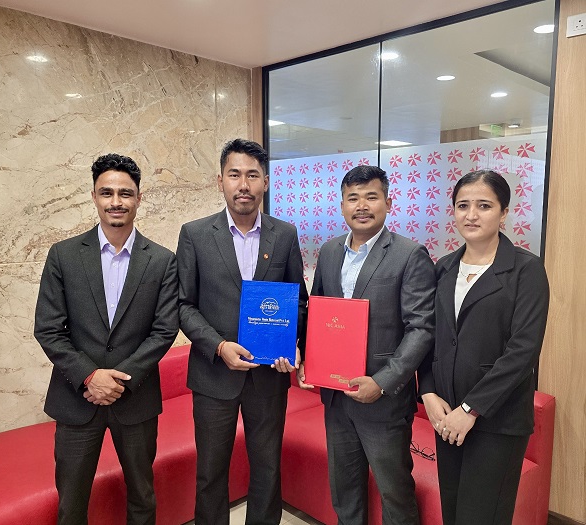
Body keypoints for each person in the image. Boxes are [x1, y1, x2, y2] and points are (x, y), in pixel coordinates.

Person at [34, 153, 179, 525]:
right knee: (71, 504)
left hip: (136, 398)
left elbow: (164, 330)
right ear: (94, 197)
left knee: (142, 498)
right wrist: (90, 376)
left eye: (125, 193)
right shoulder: (63, 255)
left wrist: (119, 380)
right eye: (107, 192)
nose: (116, 201)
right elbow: (48, 328)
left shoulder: (162, 260)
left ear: (139, 198)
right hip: (76, 399)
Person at [177, 138, 308, 525]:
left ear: (265, 182)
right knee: (210, 472)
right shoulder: (195, 234)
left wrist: (294, 342)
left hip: (269, 374)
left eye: (253, 175)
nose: (244, 184)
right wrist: (219, 346)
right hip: (213, 374)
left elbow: (298, 300)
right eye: (235, 175)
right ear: (220, 181)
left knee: (267, 469)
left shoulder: (285, 234)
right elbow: (183, 305)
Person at [299, 165, 436, 525]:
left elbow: (421, 328)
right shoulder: (329, 251)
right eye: (353, 198)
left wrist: (383, 382)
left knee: (395, 493)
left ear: (388, 203)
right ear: (342, 205)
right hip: (335, 395)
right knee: (344, 490)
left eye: (371, 197)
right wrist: (309, 361)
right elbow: (318, 313)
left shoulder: (409, 254)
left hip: (382, 400)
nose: (361, 206)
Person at [418, 170, 549, 525]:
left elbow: (523, 351)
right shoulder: (444, 267)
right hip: (447, 416)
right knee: (453, 512)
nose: (471, 215)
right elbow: (429, 336)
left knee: (481, 517)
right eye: (463, 205)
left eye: (484, 205)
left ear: (504, 212)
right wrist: (428, 392)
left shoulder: (525, 269)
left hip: (496, 421)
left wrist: (471, 409)